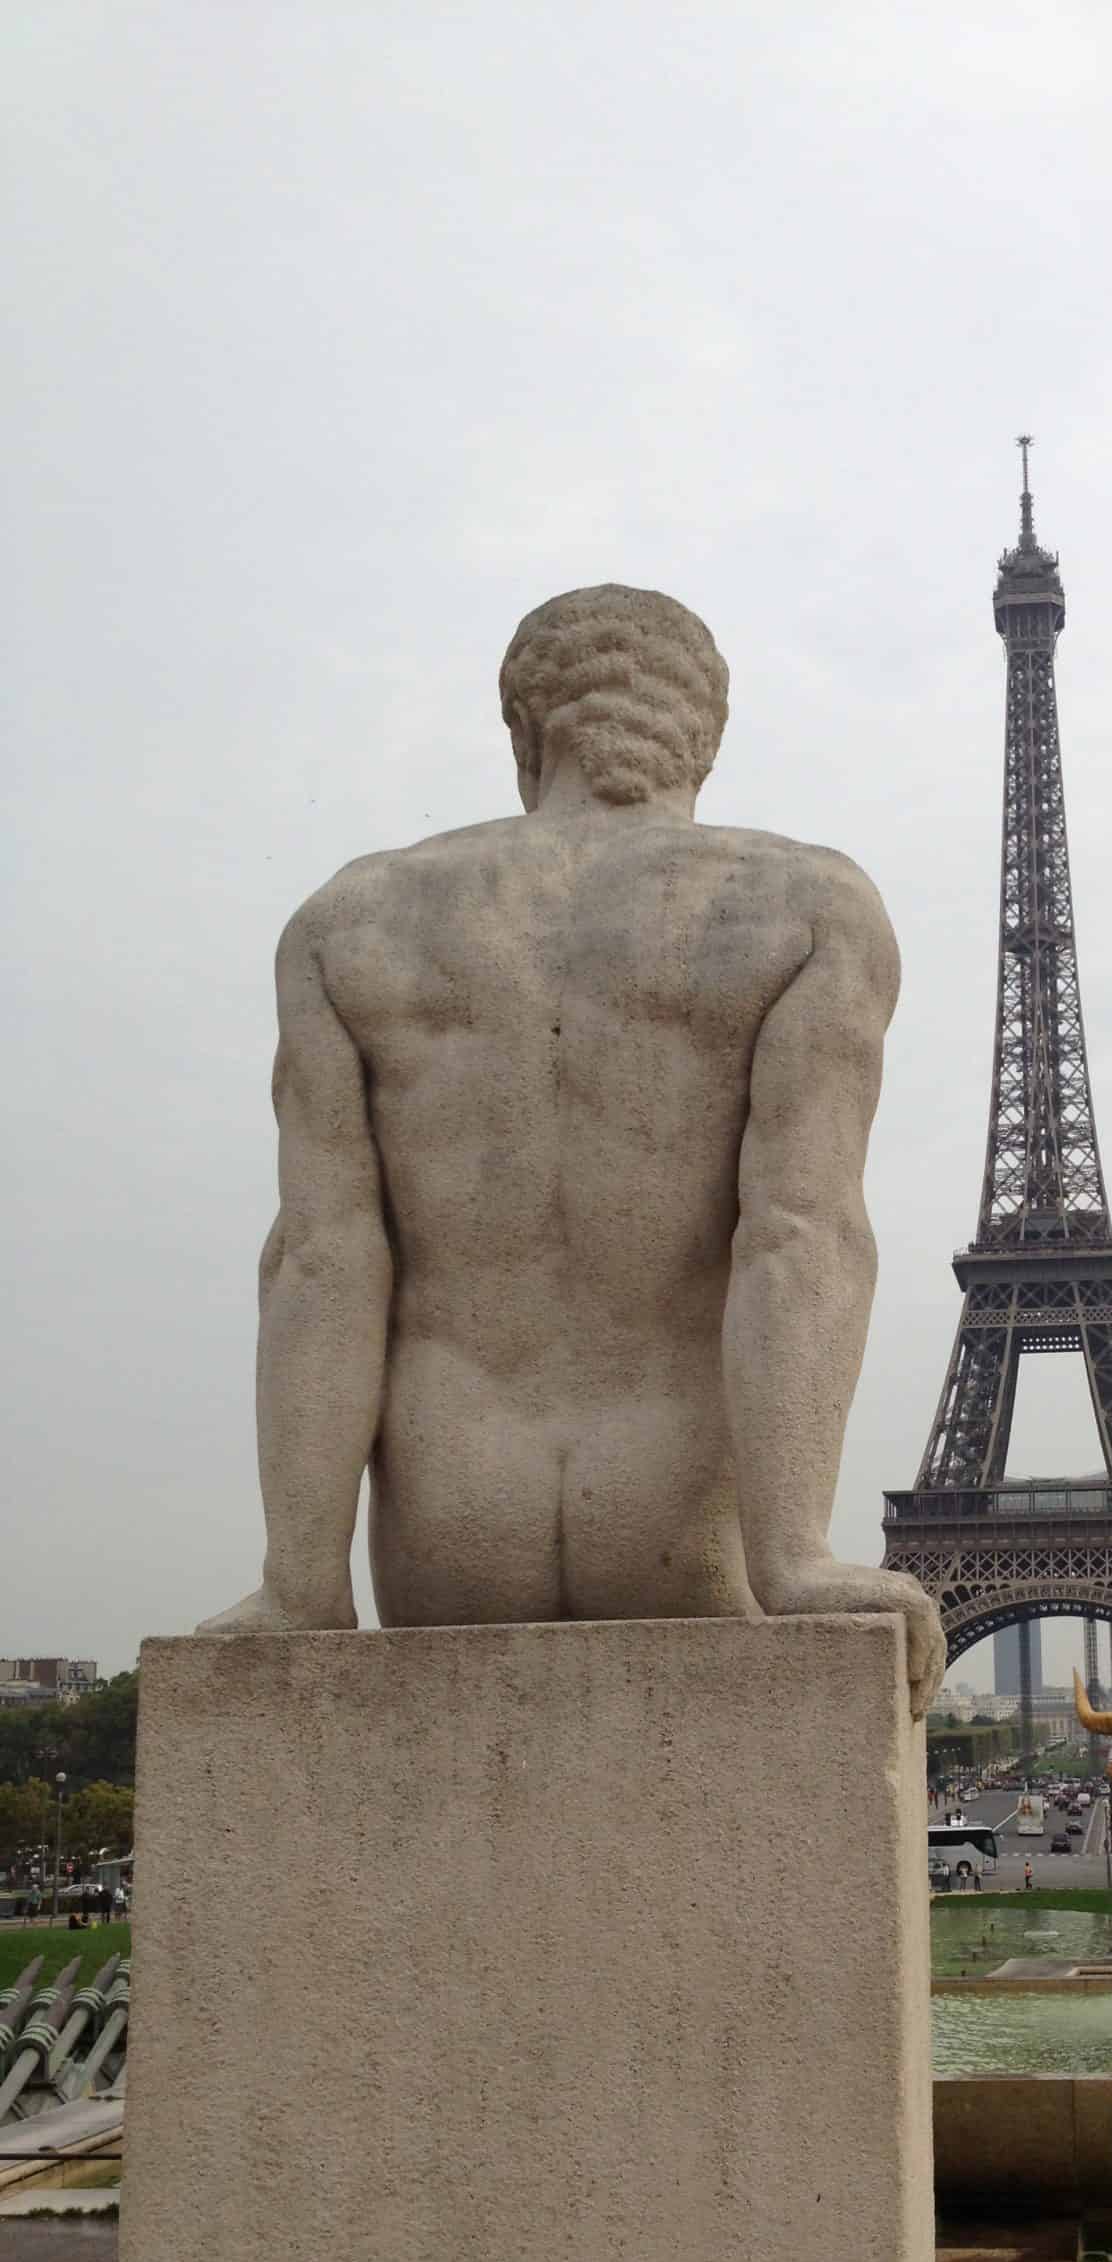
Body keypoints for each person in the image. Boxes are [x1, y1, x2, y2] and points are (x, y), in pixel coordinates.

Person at [195, 585, 944, 1711]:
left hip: (450, 1528)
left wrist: (299, 1582)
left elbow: (320, 1258)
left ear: (525, 732)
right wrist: (794, 1560)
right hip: (685, 1528)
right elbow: (802, 1233)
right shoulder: (807, 908)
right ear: (702, 736)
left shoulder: (347, 923)